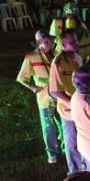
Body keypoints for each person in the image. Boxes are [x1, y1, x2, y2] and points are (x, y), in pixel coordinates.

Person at [16, 29, 60, 164]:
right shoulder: (31, 57)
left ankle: (65, 147)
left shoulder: (57, 54)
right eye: (46, 40)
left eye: (50, 40)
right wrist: (33, 87)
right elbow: (21, 78)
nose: (50, 43)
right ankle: (52, 153)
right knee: (48, 125)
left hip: (60, 95)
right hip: (45, 97)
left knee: (64, 123)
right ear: (38, 42)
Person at [50, 29, 84, 174]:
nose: (76, 44)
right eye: (72, 42)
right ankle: (74, 173)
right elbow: (55, 91)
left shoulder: (78, 58)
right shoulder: (58, 63)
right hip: (69, 111)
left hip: (81, 108)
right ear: (63, 44)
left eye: (76, 40)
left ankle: (85, 168)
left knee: (83, 140)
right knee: (71, 143)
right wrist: (74, 104)